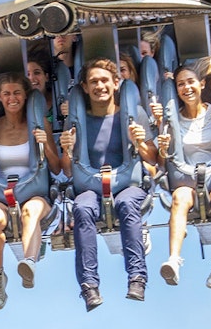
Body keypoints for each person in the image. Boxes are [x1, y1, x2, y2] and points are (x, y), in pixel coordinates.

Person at [59, 59, 158, 311]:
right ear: (84, 87)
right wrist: (66, 149)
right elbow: (68, 169)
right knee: (81, 208)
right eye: (93, 82)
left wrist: (140, 142)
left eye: (105, 81)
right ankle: (89, 285)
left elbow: (153, 158)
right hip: (90, 186)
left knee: (126, 203)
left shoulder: (134, 115)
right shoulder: (77, 121)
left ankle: (137, 278)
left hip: (128, 184)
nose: (100, 86)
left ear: (116, 83)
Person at [0, 73, 61, 310]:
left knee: (31, 211)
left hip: (35, 194)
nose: (12, 98)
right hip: (0, 195)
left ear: (26, 96)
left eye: (17, 93)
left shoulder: (39, 124)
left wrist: (46, 144)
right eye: (6, 93)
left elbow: (57, 167)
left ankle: (28, 262)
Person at [153, 63, 211, 289]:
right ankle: (174, 260)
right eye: (180, 84)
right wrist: (163, 149)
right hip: (187, 178)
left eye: (191, 82)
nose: (187, 88)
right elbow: (164, 161)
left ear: (202, 84)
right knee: (180, 198)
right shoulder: (172, 120)